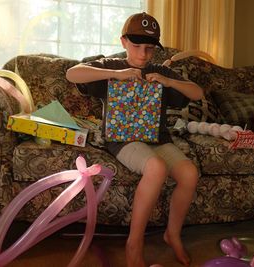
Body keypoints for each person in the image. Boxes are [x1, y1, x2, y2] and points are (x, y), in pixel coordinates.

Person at [66, 12, 203, 267]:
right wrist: (118, 75)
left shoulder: (160, 71)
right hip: (122, 139)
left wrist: (167, 80)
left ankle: (171, 234)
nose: (142, 54)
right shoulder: (111, 66)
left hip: (158, 139)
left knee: (189, 173)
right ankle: (134, 242)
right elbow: (72, 74)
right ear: (123, 42)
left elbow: (197, 92)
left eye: (149, 49)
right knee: (156, 167)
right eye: (136, 46)